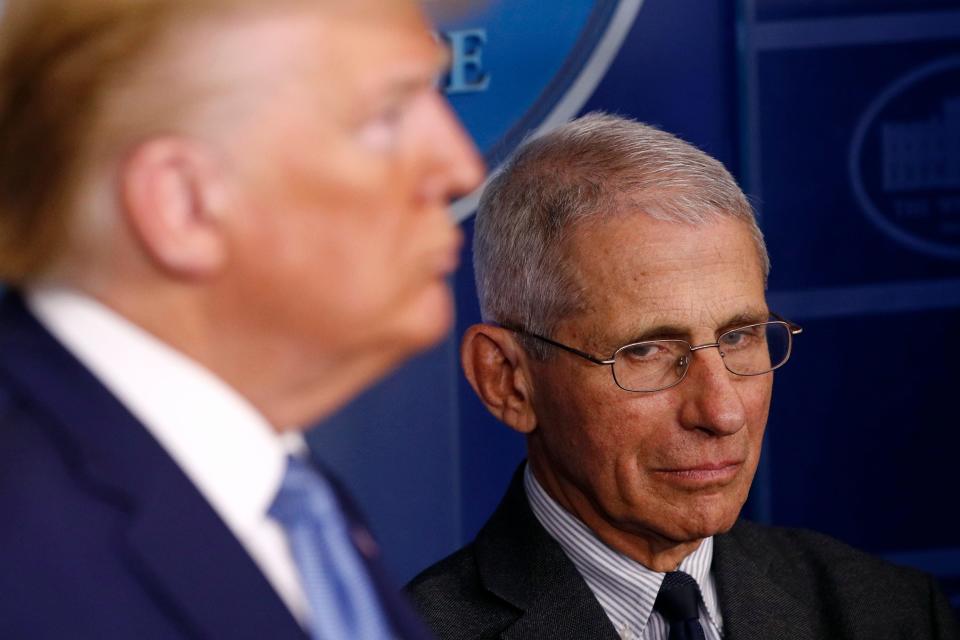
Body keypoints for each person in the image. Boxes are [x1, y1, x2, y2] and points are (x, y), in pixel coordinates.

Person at [0, 0, 483, 638]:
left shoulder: (286, 496)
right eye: (387, 116)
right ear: (184, 205)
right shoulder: (24, 542)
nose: (461, 168)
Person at [406, 113, 959, 640]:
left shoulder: (888, 614)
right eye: (645, 350)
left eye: (740, 336)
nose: (721, 412)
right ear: (507, 379)